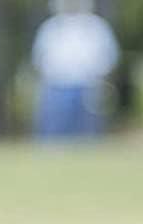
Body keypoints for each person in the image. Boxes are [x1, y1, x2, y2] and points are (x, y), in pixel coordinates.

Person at [31, 0, 120, 139]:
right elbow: (39, 58)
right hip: (56, 87)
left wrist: (99, 79)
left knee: (87, 134)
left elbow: (109, 57)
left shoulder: (96, 26)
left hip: (87, 86)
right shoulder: (51, 27)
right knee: (55, 133)